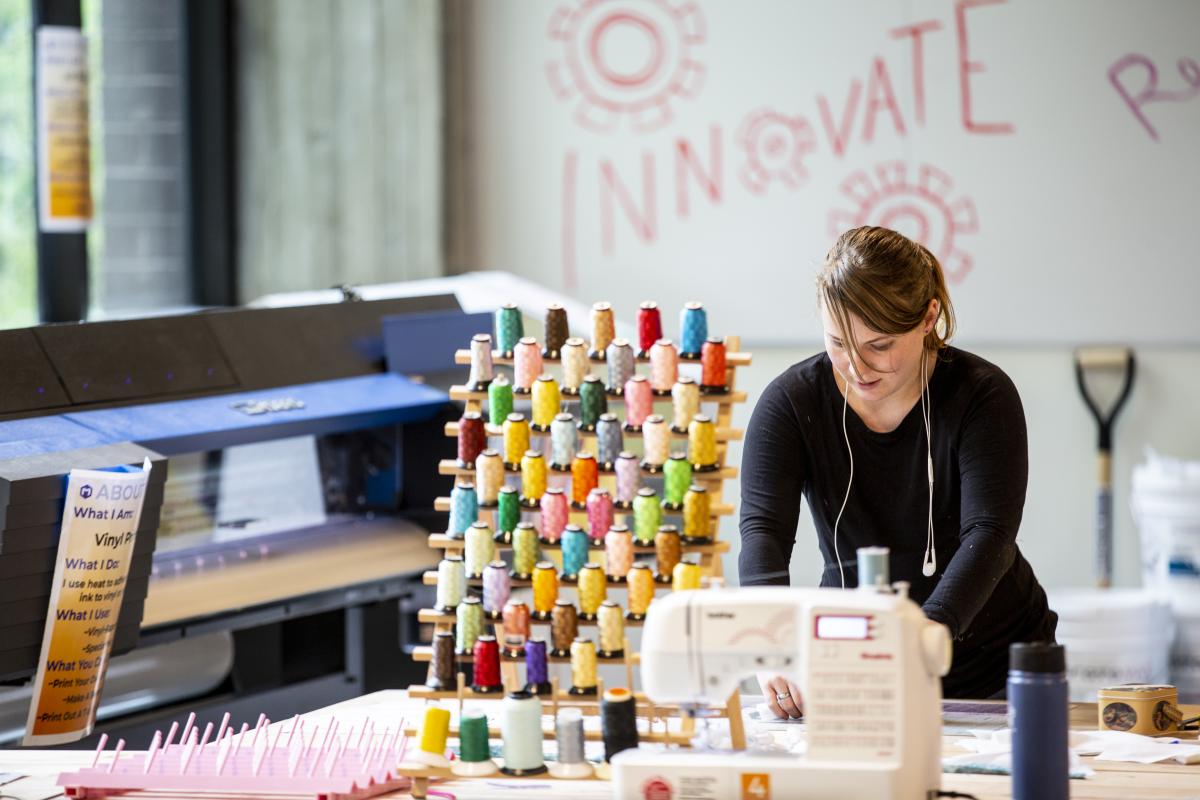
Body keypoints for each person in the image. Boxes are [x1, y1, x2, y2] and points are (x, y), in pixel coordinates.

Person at [739, 226, 1056, 719]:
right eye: (838, 343)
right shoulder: (790, 404)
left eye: (880, 345)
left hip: (993, 670)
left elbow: (990, 533)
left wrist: (921, 639)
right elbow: (763, 531)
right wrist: (770, 640)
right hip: (856, 666)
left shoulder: (983, 396)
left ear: (928, 317)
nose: (857, 367)